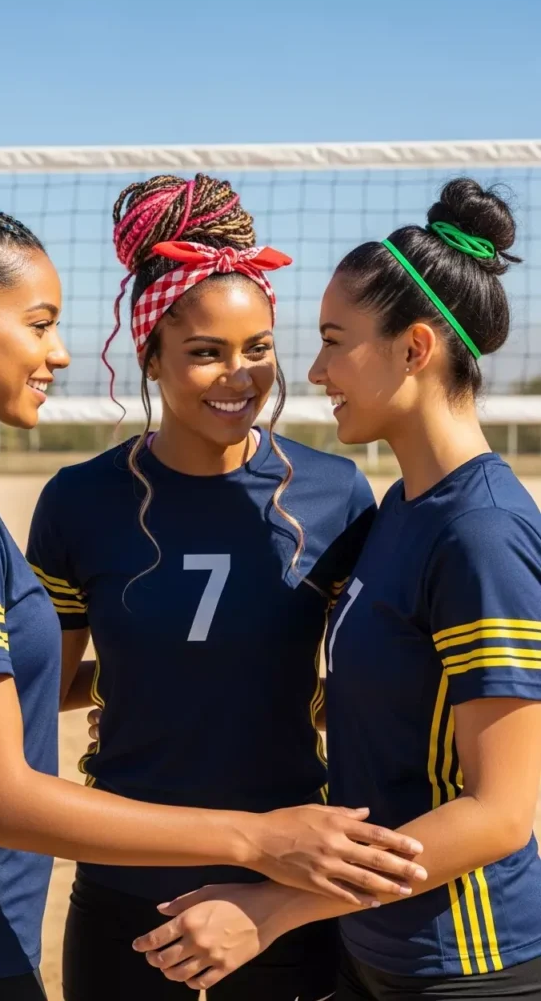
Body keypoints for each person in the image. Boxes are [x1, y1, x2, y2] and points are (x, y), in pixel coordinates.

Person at [0, 184, 425, 1001]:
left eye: (259, 347)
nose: (59, 351)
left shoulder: (336, 494)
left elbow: (21, 689)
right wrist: (259, 837)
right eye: (38, 325)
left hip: (275, 903)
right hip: (6, 920)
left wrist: (175, 680)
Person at [134, 178, 541, 1000]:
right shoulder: (400, 508)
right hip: (374, 945)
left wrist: (273, 909)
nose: (312, 370)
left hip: (466, 959)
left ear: (414, 349)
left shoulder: (481, 533)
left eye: (333, 340)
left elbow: (500, 813)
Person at [26, 173, 425, 1001]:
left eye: (257, 348)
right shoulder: (78, 500)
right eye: (204, 352)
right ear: (150, 353)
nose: (238, 376)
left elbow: (363, 678)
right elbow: (53, 685)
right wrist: (150, 680)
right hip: (126, 888)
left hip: (287, 889)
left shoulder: (337, 493)